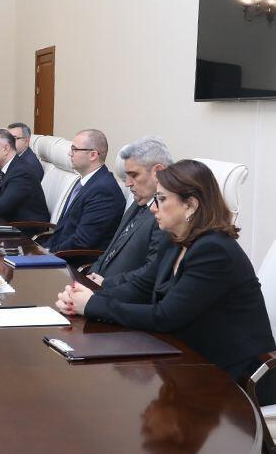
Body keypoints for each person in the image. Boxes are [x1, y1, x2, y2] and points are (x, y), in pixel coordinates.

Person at [56, 160, 275, 380]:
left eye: (161, 199)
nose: (153, 208)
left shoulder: (214, 251)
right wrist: (85, 297)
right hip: (186, 357)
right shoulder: (175, 240)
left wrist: (93, 305)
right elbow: (141, 287)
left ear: (190, 205)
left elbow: (165, 317)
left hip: (233, 375)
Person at [86, 137, 173, 288]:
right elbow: (110, 250)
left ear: (158, 172)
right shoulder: (138, 202)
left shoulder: (166, 216)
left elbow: (150, 272)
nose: (127, 183)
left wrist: (105, 284)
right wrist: (91, 276)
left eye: (134, 175)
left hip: (121, 294)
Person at [43, 129, 125, 252]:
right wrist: (43, 249)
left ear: (93, 155)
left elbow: (81, 241)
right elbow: (63, 229)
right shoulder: (84, 181)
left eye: (74, 149)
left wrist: (48, 254)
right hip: (58, 252)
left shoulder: (104, 191)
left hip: (73, 260)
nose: (69, 153)